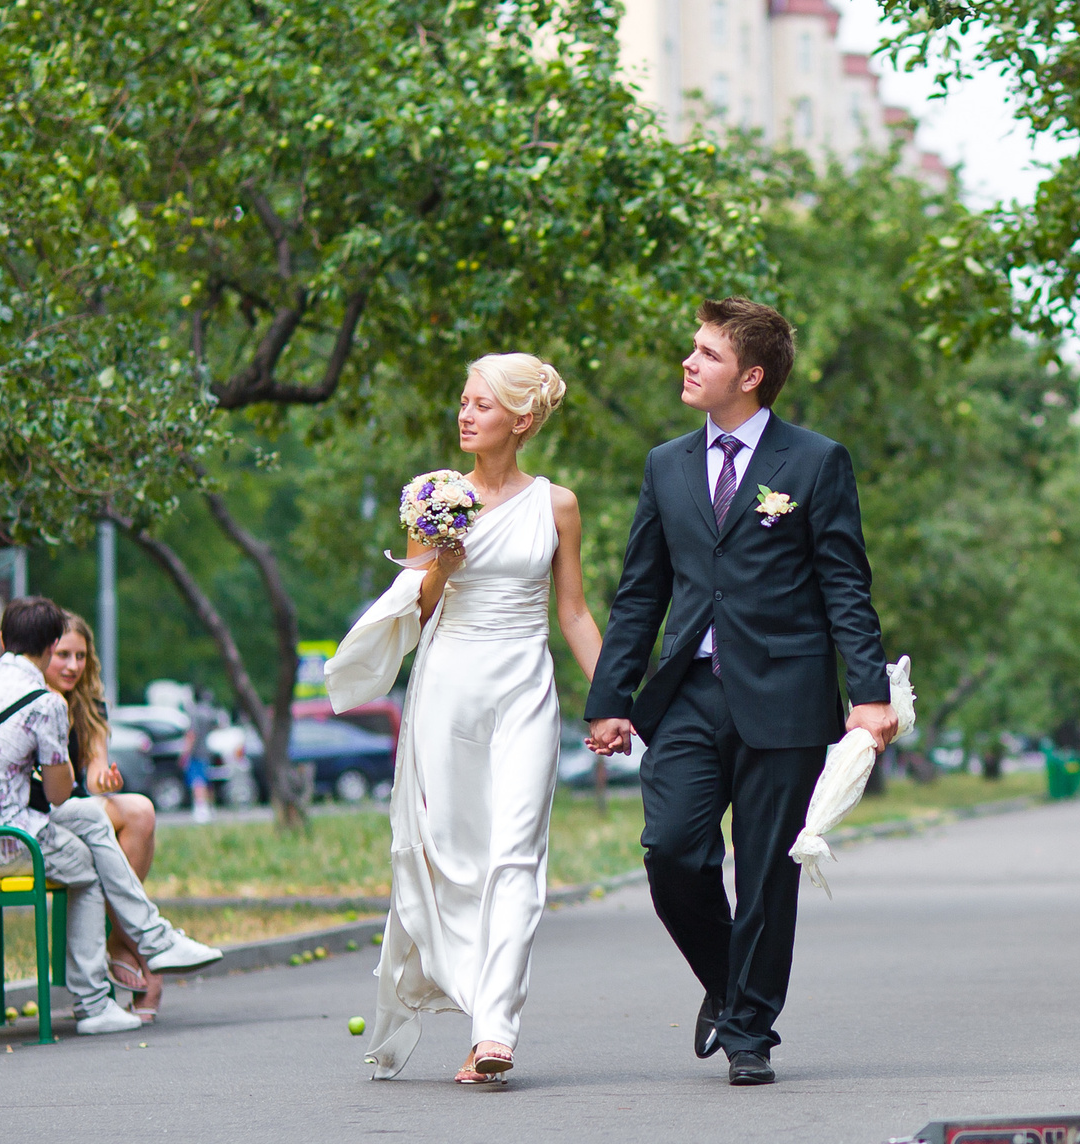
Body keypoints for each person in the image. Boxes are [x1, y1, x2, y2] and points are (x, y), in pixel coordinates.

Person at [584, 297, 897, 1086]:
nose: (687, 363)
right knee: (672, 852)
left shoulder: (815, 462)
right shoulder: (666, 464)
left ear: (751, 376)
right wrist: (610, 697)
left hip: (785, 696)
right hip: (689, 691)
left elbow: (845, 587)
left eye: (706, 354)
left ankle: (750, 1030)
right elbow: (640, 591)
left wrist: (868, 692)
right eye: (691, 351)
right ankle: (729, 985)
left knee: (764, 872)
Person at [327, 352, 603, 1084]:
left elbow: (572, 612)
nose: (465, 413)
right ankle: (471, 997)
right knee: (453, 858)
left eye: (481, 403)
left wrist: (612, 697)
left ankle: (494, 1029)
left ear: (520, 418)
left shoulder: (558, 504)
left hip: (524, 686)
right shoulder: (433, 496)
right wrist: (442, 558)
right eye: (462, 400)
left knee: (517, 852)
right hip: (448, 684)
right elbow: (414, 611)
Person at [0, 597, 222, 1037]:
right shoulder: (44, 703)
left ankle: (154, 938)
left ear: (1, 639)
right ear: (52, 646)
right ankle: (97, 999)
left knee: (90, 818)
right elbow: (56, 794)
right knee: (87, 866)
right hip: (6, 844)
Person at [44, 612, 169, 1021]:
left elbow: (96, 774)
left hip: (80, 808)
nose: (73, 666)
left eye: (81, 656)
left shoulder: (88, 703)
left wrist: (106, 780)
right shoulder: (31, 700)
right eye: (63, 654)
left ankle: (120, 940)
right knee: (133, 816)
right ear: (44, 653)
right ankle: (133, 944)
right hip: (41, 814)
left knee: (140, 810)